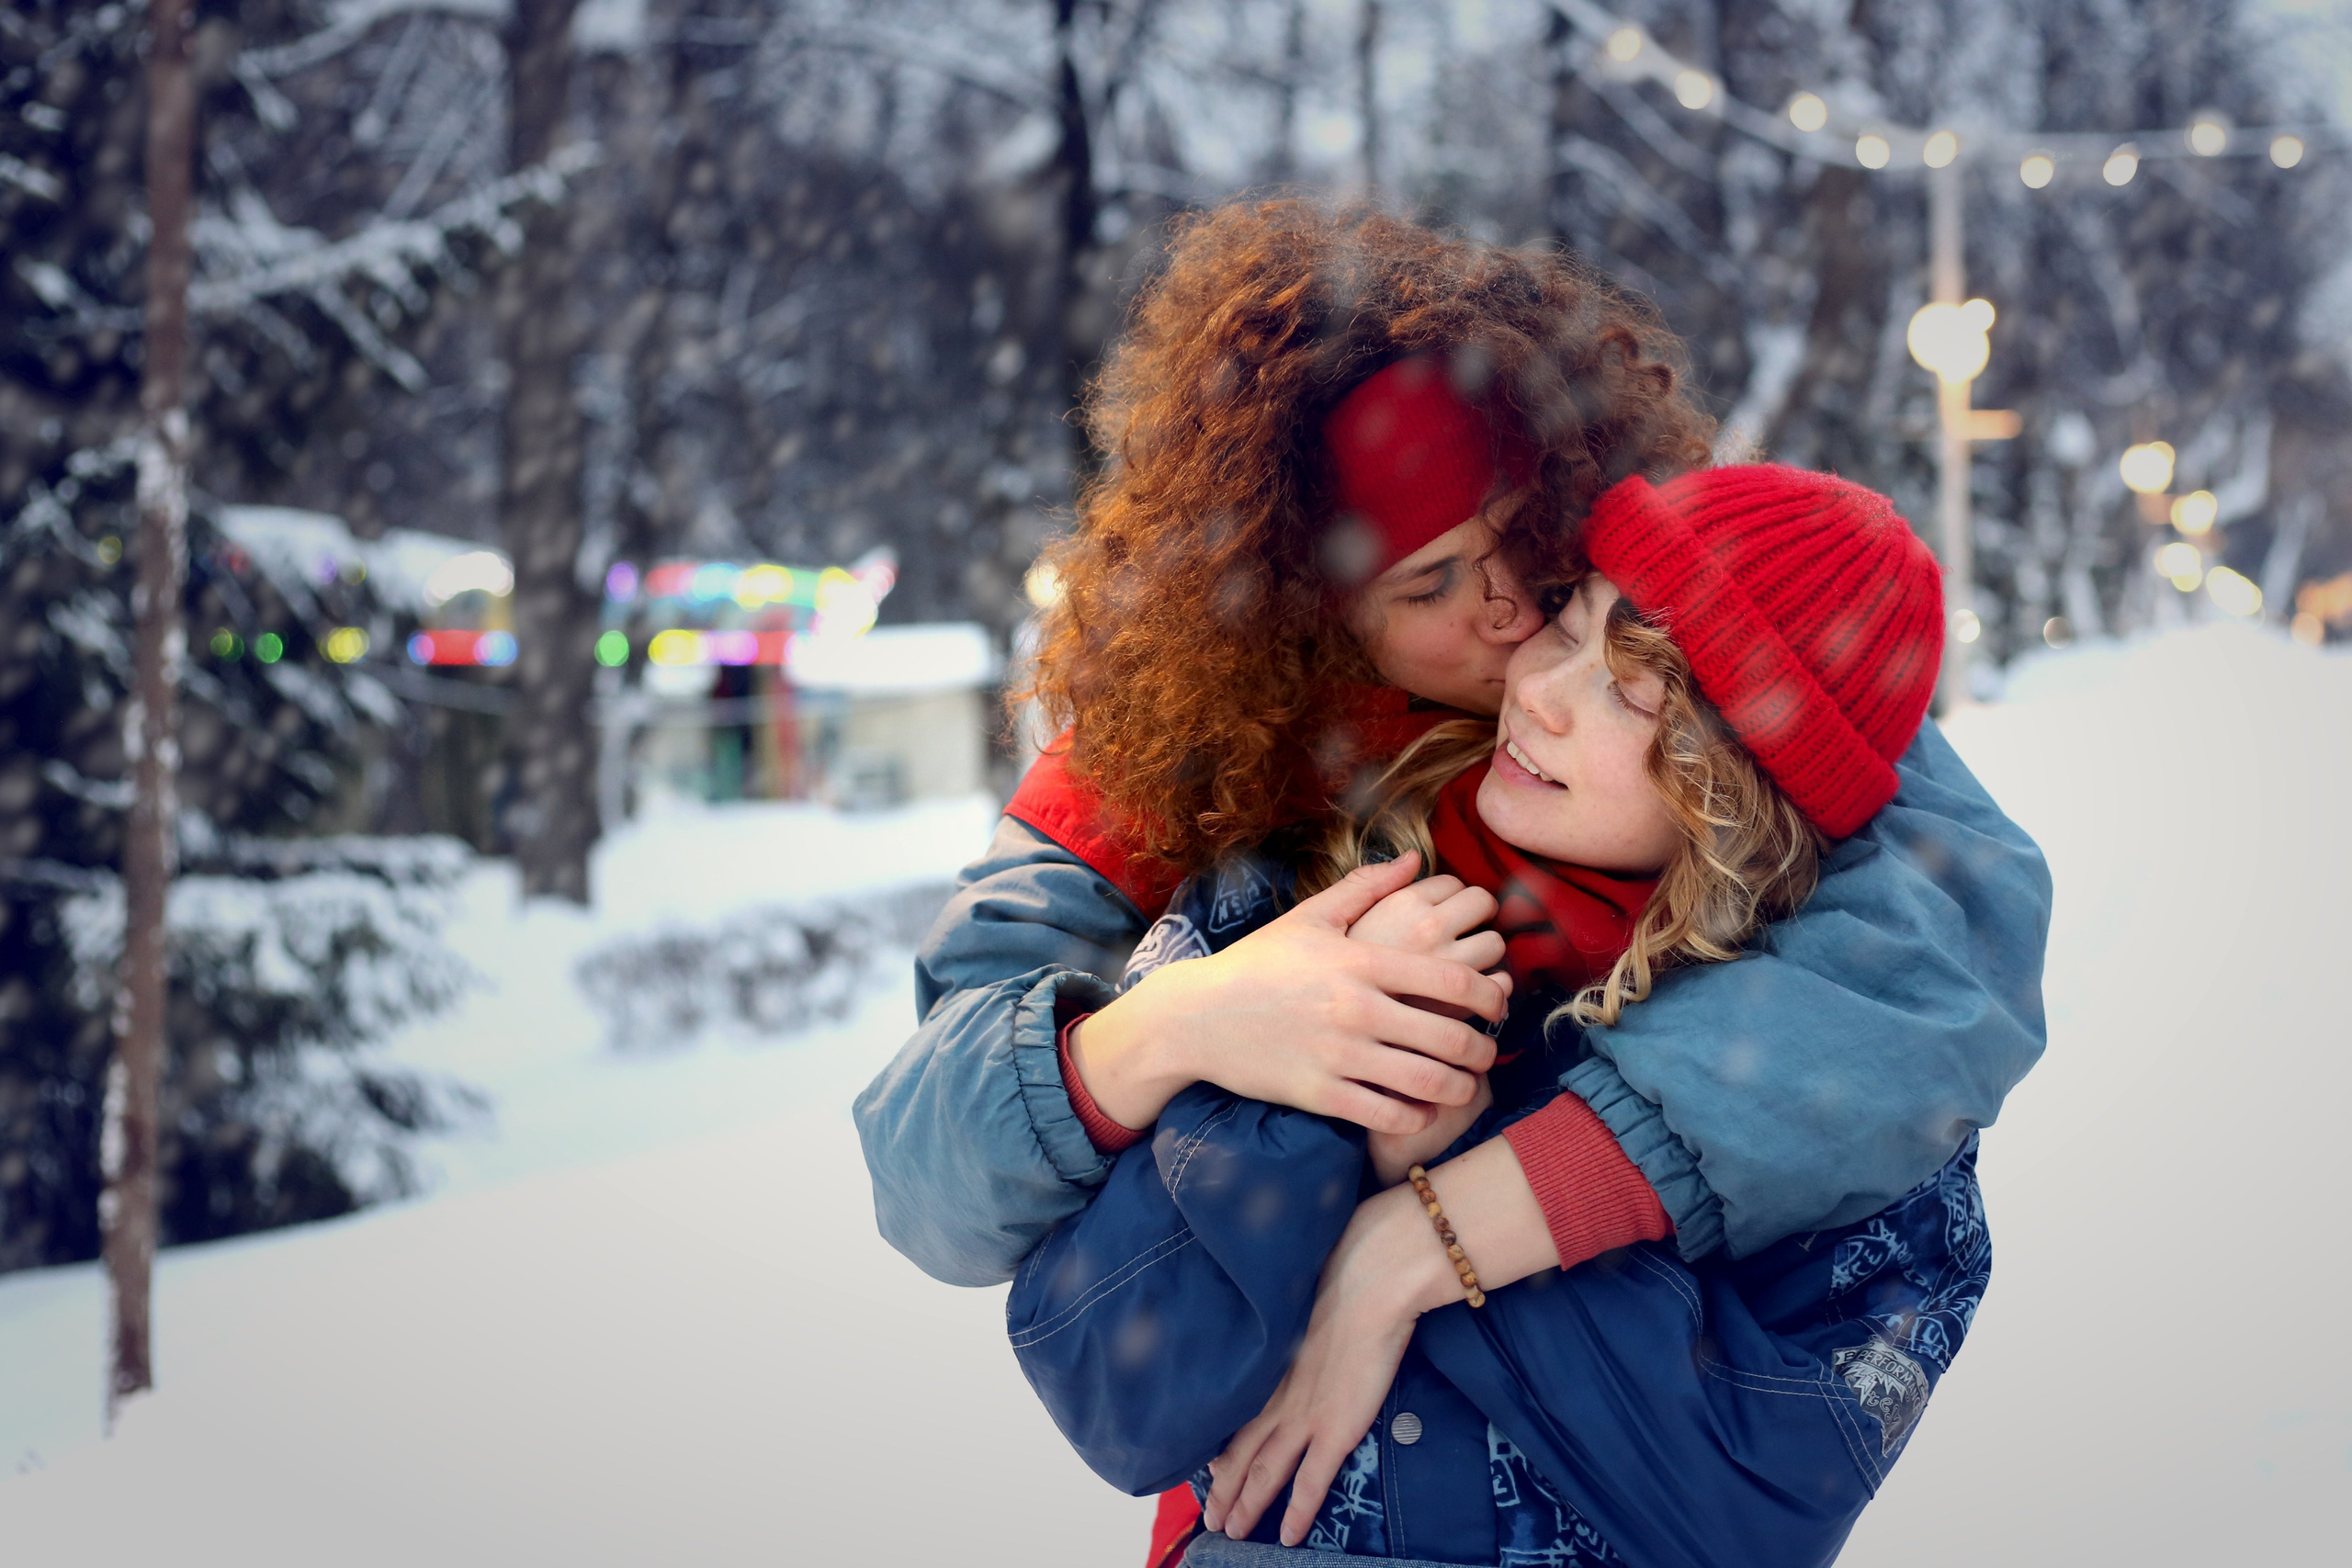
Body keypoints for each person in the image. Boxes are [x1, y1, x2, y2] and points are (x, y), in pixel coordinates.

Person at [1010, 466, 2000, 1567]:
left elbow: (1755, 1514)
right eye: (1570, 620)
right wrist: (1335, 1130)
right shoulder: (1291, 901)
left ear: (1745, 792)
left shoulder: (1845, 1089)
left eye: (1633, 692)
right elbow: (1104, 1379)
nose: (1539, 691)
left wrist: (1438, 1219)